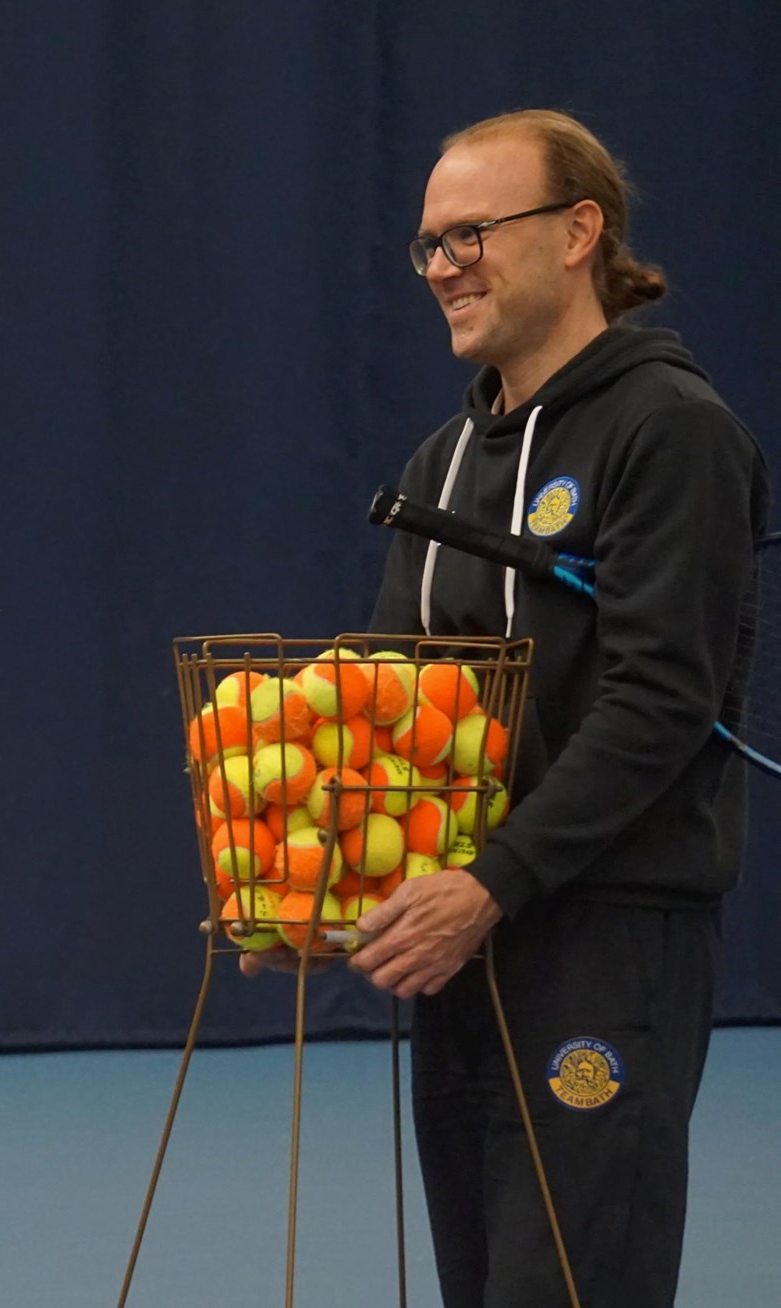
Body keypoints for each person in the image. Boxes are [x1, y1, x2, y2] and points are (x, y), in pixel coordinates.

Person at [354, 110, 769, 1307]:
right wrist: (313, 873)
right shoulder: (440, 460)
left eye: (472, 232)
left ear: (580, 230)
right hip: (460, 944)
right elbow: (395, 698)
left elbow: (659, 704)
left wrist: (491, 880)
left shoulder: (671, 433)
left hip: (600, 943)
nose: (445, 267)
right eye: (429, 245)